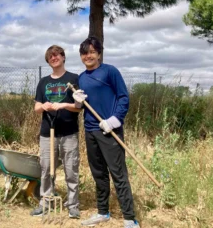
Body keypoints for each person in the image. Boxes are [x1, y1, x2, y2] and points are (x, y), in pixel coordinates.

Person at [73, 37, 140, 228]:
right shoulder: (82, 77)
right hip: (91, 129)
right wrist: (78, 101)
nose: (88, 56)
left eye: (92, 52)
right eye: (85, 53)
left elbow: (123, 97)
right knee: (99, 174)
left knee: (118, 173)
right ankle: (103, 212)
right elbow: (82, 105)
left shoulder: (110, 71)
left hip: (110, 131)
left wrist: (114, 120)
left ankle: (129, 218)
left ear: (99, 53)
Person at [30, 45, 81, 218]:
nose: (54, 58)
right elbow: (36, 107)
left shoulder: (74, 79)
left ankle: (73, 205)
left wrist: (64, 105)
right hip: (47, 133)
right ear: (48, 60)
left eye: (57, 55)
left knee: (71, 169)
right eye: (50, 56)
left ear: (63, 57)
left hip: (69, 132)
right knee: (46, 170)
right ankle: (45, 202)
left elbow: (79, 107)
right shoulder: (44, 82)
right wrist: (42, 106)